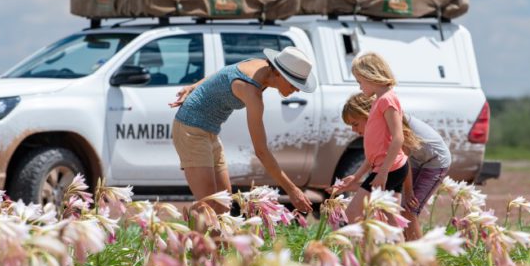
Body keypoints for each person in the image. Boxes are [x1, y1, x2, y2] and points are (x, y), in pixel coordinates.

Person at [169, 46, 317, 213]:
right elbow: (261, 151)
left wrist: (194, 86)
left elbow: (223, 73)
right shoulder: (251, 91)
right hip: (190, 129)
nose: (297, 89)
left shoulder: (261, 66)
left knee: (224, 205)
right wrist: (291, 190)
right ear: (279, 73)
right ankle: (188, 237)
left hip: (211, 131)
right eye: (294, 83)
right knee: (209, 207)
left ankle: (213, 237)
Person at [332, 52, 421, 234]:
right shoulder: (380, 101)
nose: (360, 86)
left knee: (351, 216)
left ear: (369, 76)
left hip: (390, 169)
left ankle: (361, 256)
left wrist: (382, 173)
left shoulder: (388, 100)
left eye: (360, 82)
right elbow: (374, 155)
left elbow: (398, 138)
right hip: (391, 168)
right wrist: (356, 177)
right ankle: (398, 258)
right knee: (392, 225)